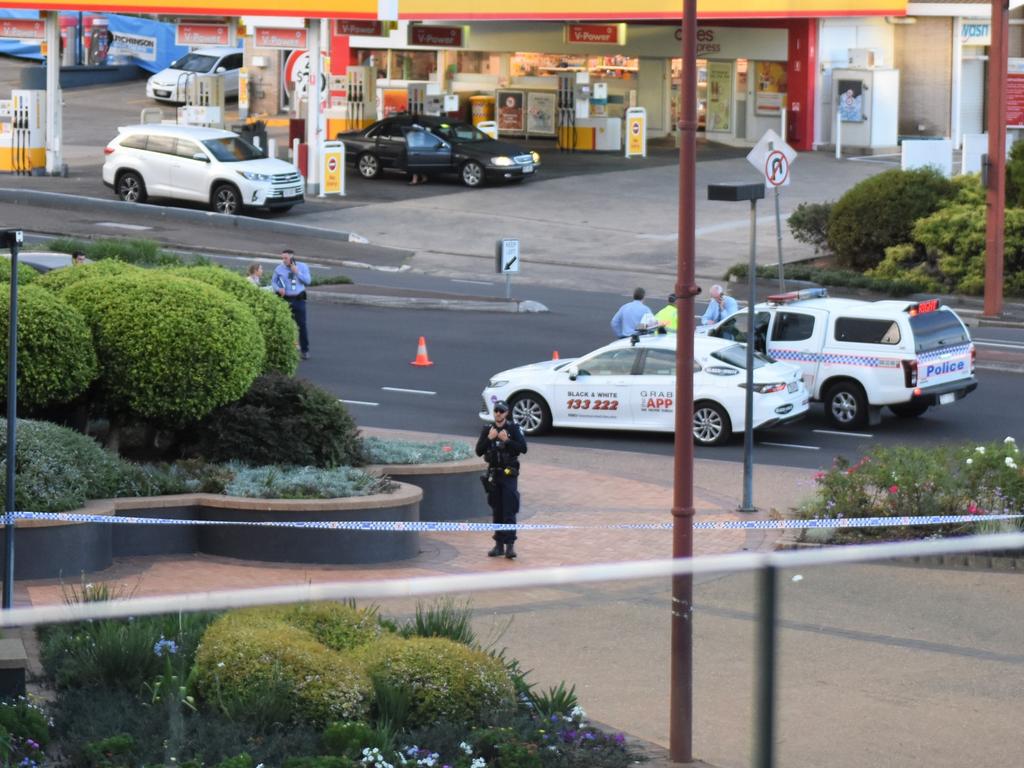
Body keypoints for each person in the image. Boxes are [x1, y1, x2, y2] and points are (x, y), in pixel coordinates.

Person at [475, 400, 527, 560]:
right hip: (494, 475)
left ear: (507, 413)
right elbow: (478, 451)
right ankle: (498, 545)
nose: (498, 413)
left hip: (508, 474)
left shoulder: (513, 429)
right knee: (497, 510)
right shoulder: (488, 429)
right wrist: (490, 438)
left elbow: (523, 448)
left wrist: (507, 440)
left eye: (502, 411)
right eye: (496, 410)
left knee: (509, 509)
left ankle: (510, 545)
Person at [272, 249, 312, 359]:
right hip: (285, 299)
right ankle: (287, 349)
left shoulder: (302, 266)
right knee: (285, 324)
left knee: (301, 325)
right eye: (282, 258)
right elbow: (273, 282)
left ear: (292, 258)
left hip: (298, 299)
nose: (283, 260)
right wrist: (278, 288)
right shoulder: (279, 269)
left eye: (286, 258)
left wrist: (297, 272)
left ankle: (305, 350)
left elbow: (308, 281)